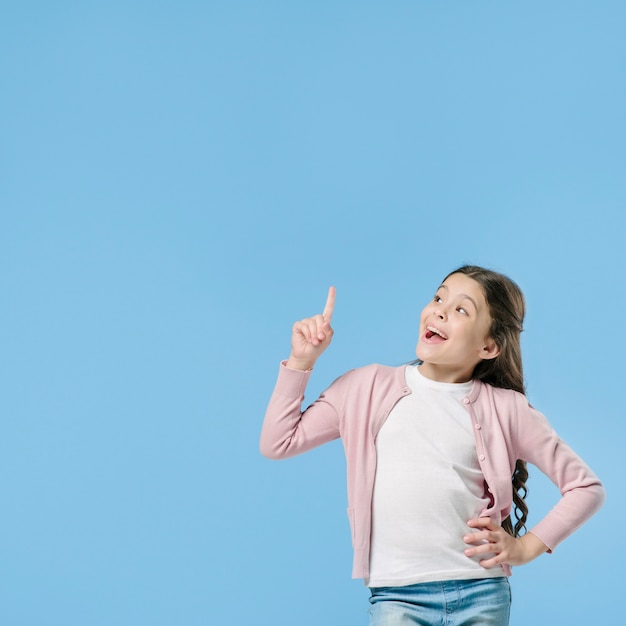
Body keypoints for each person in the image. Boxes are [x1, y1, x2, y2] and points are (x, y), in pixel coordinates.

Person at [260, 265, 605, 625]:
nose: (439, 309)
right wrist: (301, 361)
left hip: (481, 592)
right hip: (396, 594)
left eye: (461, 309)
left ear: (488, 346)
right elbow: (278, 442)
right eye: (439, 297)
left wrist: (525, 547)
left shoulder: (507, 409)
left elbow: (586, 488)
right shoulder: (364, 387)